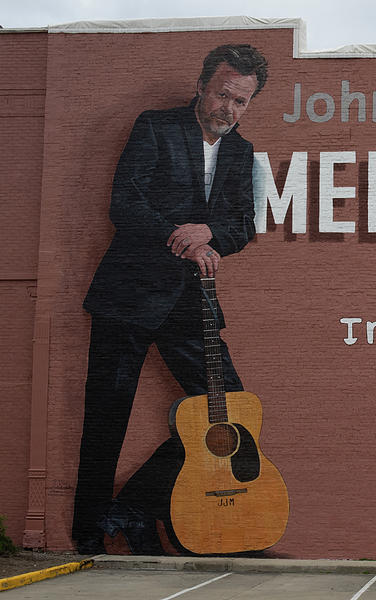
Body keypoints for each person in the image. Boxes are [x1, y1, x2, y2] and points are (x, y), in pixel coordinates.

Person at [71, 44, 268, 555]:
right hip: (128, 295)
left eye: (242, 102)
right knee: (106, 416)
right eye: (224, 94)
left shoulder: (243, 152)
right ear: (202, 85)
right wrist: (181, 237)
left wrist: (209, 232)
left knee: (232, 414)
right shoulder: (155, 127)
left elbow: (242, 224)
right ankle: (88, 534)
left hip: (191, 304)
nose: (230, 108)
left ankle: (134, 504)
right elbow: (125, 200)